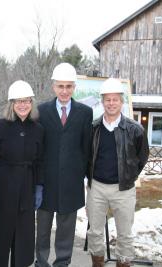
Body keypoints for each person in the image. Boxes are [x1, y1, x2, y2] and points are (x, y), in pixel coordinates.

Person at [86, 78, 149, 267]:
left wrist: (129, 177)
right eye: (107, 99)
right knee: (94, 233)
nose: (111, 103)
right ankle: (97, 263)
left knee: (124, 234)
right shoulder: (94, 128)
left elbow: (142, 157)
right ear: (102, 102)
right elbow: (88, 155)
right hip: (97, 187)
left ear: (122, 102)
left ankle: (123, 263)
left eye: (115, 99)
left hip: (123, 189)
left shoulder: (135, 129)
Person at [36, 62, 93, 267]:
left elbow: (86, 148)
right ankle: (41, 262)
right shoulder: (41, 111)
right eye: (60, 86)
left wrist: (85, 177)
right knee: (42, 229)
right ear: (53, 86)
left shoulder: (85, 113)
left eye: (69, 86)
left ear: (74, 88)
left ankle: (62, 262)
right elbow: (38, 148)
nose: (64, 90)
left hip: (71, 182)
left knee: (66, 230)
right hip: (46, 182)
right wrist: (37, 180)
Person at [0, 80, 44, 267]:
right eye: (18, 101)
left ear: (32, 103)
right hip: (4, 185)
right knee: (2, 233)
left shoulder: (38, 129)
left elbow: (40, 161)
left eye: (27, 101)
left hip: (28, 186)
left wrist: (39, 187)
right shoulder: (0, 126)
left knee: (24, 235)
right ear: (11, 104)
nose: (23, 105)